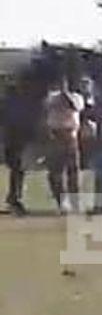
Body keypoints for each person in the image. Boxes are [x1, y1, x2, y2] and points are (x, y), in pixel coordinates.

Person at [45, 78, 85, 213]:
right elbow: (48, 106)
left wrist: (66, 94)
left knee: (73, 171)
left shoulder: (77, 97)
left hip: (70, 136)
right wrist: (59, 95)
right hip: (55, 136)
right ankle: (61, 201)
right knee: (55, 171)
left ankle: (75, 202)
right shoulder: (52, 97)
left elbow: (75, 106)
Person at [2, 83, 33, 216]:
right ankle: (14, 199)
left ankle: (14, 198)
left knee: (17, 170)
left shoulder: (7, 106)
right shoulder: (17, 107)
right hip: (14, 142)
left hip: (12, 141)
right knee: (18, 170)